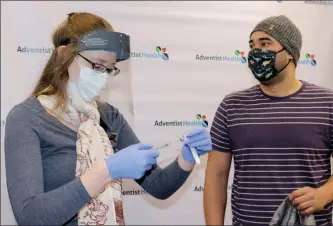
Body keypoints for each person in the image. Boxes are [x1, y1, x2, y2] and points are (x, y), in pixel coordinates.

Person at [4, 12, 212, 226]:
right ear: (63, 56)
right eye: (96, 65)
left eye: (108, 69)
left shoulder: (107, 116)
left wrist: (186, 158)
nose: (102, 77)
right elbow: (30, 216)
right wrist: (106, 171)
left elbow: (157, 185)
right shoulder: (27, 118)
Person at [204, 15, 333, 226]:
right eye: (252, 45)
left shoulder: (331, 104)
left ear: (289, 53)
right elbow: (216, 174)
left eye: (265, 43)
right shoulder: (232, 105)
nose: (255, 51)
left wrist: (324, 194)